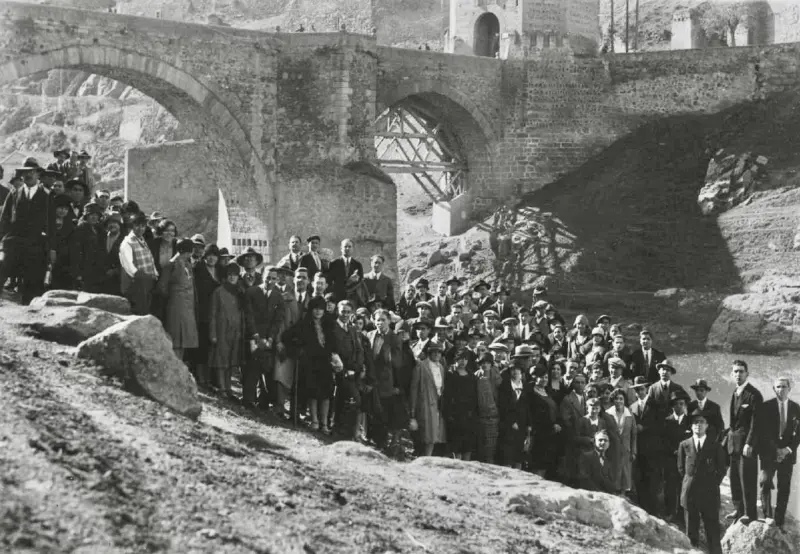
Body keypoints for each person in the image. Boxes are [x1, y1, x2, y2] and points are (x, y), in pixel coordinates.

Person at [750, 377, 800, 529]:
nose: (781, 390)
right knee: (765, 482)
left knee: (784, 488)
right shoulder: (766, 407)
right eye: (777, 387)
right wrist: (776, 450)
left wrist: (787, 449)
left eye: (784, 387)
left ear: (789, 389)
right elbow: (762, 431)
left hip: (788, 454)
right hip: (769, 453)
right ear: (773, 389)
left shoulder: (796, 408)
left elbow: (798, 433)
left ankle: (779, 522)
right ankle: (767, 517)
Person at [678, 409, 727, 554]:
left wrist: (712, 483)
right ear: (691, 426)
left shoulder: (715, 445)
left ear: (707, 426)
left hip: (709, 493)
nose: (698, 425)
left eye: (702, 422)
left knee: (712, 531)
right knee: (691, 532)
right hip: (690, 493)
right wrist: (690, 482)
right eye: (695, 422)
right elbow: (681, 468)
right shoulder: (684, 444)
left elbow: (721, 469)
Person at [0, 166, 50, 304]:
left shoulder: (46, 195)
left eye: (32, 172)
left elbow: (49, 223)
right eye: (25, 173)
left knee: (32, 282)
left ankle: (29, 311)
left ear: (38, 175)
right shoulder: (15, 193)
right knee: (3, 272)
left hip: (36, 244)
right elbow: (5, 219)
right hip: (14, 242)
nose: (28, 175)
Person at [365, 309, 411, 458]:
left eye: (383, 320)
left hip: (387, 382)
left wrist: (397, 385)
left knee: (384, 413)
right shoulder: (370, 335)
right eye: (377, 320)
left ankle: (384, 446)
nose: (380, 323)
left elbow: (398, 364)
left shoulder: (394, 338)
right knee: (372, 412)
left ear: (389, 321)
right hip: (371, 379)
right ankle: (374, 444)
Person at [725, 359, 763, 524]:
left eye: (741, 371)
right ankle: (738, 509)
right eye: (735, 372)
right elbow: (733, 422)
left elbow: (757, 423)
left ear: (747, 374)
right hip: (734, 444)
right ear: (732, 374)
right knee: (734, 477)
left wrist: (750, 443)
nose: (738, 374)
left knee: (747, 478)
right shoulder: (735, 392)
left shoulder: (754, 395)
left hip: (747, 445)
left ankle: (750, 513)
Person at [244, 266, 284, 412]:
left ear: (277, 280)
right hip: (253, 336)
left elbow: (278, 320)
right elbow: (248, 314)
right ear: (262, 276)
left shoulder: (278, 296)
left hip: (268, 339)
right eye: (268, 277)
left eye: (274, 278)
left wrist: (271, 338)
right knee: (252, 369)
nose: (270, 281)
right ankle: (248, 400)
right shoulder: (252, 292)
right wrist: (255, 335)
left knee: (267, 369)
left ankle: (264, 402)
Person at [156, 238, 199, 361]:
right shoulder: (171, 264)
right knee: (175, 341)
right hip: (175, 306)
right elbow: (161, 287)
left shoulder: (187, 263)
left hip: (187, 308)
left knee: (184, 342)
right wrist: (174, 296)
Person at [208, 262, 244, 400]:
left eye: (235, 275)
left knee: (231, 361)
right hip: (221, 330)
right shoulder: (218, 292)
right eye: (229, 275)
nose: (232, 278)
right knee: (221, 360)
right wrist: (213, 334)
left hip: (235, 331)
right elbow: (212, 314)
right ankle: (222, 387)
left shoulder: (239, 292)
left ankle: (229, 388)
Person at [331, 300, 365, 438]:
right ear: (338, 311)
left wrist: (357, 368)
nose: (345, 314)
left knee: (352, 401)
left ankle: (347, 432)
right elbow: (333, 349)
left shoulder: (351, 329)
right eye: (342, 311)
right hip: (338, 370)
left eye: (348, 312)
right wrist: (344, 369)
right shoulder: (333, 327)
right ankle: (337, 429)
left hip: (352, 372)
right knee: (347, 400)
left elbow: (358, 350)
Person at [409, 341, 447, 456]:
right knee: (426, 434)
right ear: (429, 353)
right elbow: (414, 388)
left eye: (439, 352)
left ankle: (428, 457)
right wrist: (412, 409)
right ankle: (423, 457)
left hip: (437, 403)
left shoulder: (441, 367)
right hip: (424, 402)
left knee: (435, 433)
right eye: (434, 352)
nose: (437, 354)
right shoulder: (421, 365)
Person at [119, 213, 159, 316]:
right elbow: (129, 267)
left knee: (146, 311)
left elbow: (150, 259)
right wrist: (143, 277)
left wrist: (154, 273)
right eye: (137, 225)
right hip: (136, 284)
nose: (140, 228)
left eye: (143, 226)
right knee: (139, 312)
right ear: (132, 226)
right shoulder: (127, 243)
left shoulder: (142, 240)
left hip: (146, 283)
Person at [444, 349, 479, 460]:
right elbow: (447, 396)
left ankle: (467, 465)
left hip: (469, 414)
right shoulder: (451, 375)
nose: (463, 361)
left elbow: (475, 396)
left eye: (465, 359)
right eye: (460, 359)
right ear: (456, 360)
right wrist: (449, 413)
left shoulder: (472, 376)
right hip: (455, 414)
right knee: (456, 443)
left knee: (468, 443)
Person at [528, 365, 562, 479]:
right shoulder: (531, 392)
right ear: (535, 377)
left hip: (551, 435)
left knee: (546, 465)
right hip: (539, 433)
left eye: (546, 377)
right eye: (541, 377)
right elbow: (534, 415)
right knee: (537, 464)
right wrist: (551, 425)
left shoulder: (548, 392)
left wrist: (556, 424)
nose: (544, 379)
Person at [194, 244, 221, 388]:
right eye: (209, 255)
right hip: (202, 312)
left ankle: (210, 378)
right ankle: (200, 378)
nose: (212, 258)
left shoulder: (220, 271)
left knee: (212, 345)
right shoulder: (198, 268)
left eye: (215, 255)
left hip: (216, 313)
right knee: (201, 344)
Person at [663, 391, 693, 523]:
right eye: (676, 404)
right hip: (670, 458)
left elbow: (692, 440)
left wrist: (684, 453)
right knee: (670, 486)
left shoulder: (689, 422)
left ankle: (682, 515)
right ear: (672, 406)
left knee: (684, 487)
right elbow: (663, 440)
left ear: (685, 405)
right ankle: (670, 512)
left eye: (681, 404)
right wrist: (673, 451)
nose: (679, 406)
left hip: (685, 460)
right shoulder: (667, 421)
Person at [498, 363, 530, 469]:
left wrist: (528, 425)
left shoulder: (526, 387)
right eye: (513, 369)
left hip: (522, 426)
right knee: (507, 455)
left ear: (522, 372)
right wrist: (511, 422)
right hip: (507, 426)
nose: (515, 372)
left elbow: (529, 407)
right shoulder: (504, 386)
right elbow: (502, 406)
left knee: (519, 455)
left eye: (518, 370)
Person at [69, 202, 106, 292]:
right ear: (86, 216)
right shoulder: (81, 229)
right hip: (84, 270)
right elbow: (76, 252)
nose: (94, 217)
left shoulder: (98, 229)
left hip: (95, 270)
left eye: (96, 215)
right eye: (91, 215)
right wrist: (78, 273)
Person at [607, 388, 637, 495]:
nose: (619, 401)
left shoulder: (630, 415)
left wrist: (633, 451)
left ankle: (623, 495)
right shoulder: (607, 414)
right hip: (612, 449)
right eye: (616, 399)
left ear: (624, 401)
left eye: (621, 399)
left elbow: (633, 434)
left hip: (626, 449)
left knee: (625, 473)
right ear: (612, 400)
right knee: (613, 473)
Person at [475, 352, 502, 463]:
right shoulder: (476, 375)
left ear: (491, 364)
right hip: (480, 415)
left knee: (491, 448)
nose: (485, 365)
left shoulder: (496, 375)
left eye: (487, 363)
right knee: (481, 447)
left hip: (494, 416)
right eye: (482, 363)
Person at [327, 238, 364, 304]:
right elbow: (329, 281)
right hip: (337, 296)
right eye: (345, 246)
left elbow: (360, 281)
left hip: (352, 297)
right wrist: (347, 282)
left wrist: (351, 284)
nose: (347, 248)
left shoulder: (357, 264)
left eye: (349, 247)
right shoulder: (334, 263)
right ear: (341, 248)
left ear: (353, 249)